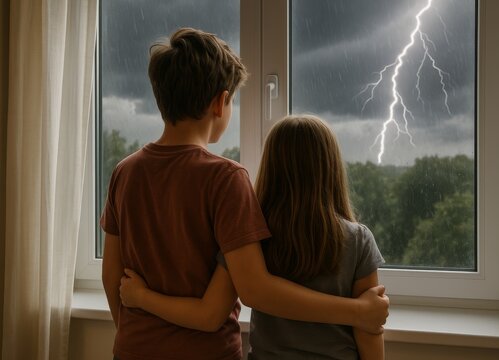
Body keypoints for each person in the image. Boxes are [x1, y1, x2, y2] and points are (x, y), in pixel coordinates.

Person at [102, 27, 388, 360]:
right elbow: (253, 290)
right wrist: (357, 312)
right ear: (220, 103)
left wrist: (134, 331)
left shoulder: (125, 171)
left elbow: (112, 277)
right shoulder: (225, 178)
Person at [120, 114, 386, 359]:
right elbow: (369, 327)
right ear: (331, 168)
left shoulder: (249, 236)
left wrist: (141, 297)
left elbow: (209, 311)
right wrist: (359, 312)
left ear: (271, 167)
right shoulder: (358, 241)